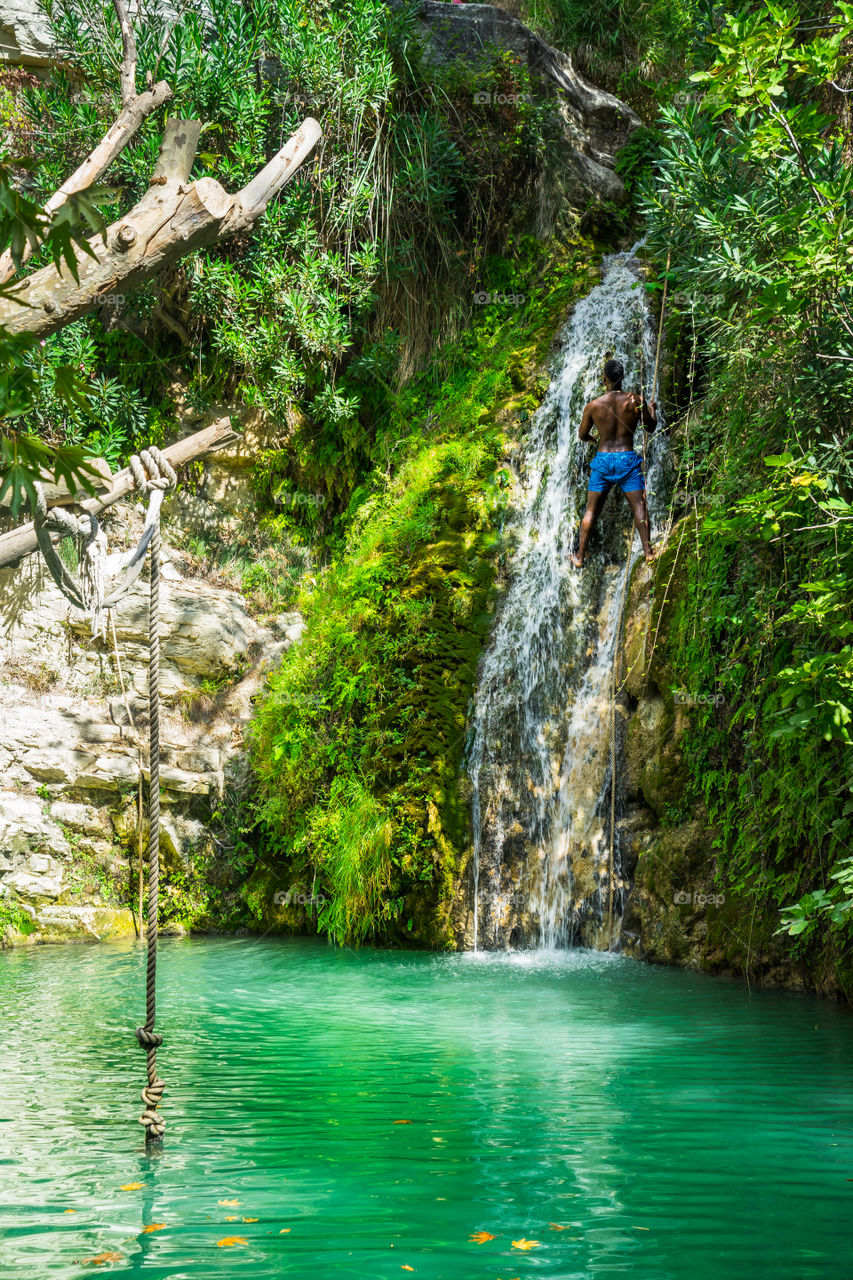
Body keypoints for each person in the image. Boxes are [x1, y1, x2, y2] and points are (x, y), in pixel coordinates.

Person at [570, 358, 657, 569]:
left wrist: (593, 440)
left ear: (604, 378)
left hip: (603, 461)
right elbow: (650, 427)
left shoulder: (593, 406)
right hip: (627, 459)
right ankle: (648, 552)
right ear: (622, 377)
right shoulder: (636, 400)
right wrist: (652, 409)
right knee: (639, 506)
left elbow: (582, 435)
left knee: (591, 511)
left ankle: (580, 557)